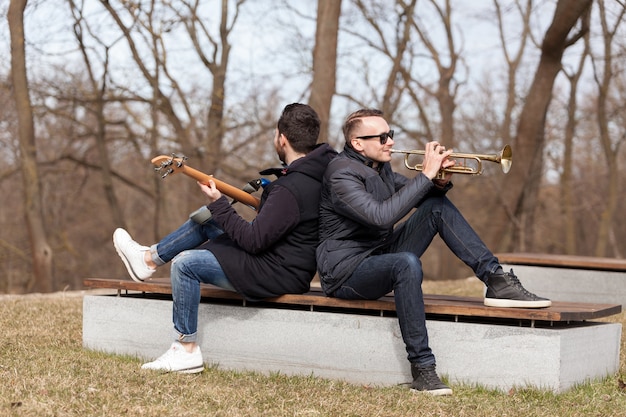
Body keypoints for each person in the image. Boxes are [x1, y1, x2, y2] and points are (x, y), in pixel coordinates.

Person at [315, 108, 550, 396]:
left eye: (391, 134)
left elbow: (419, 195)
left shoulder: (381, 169)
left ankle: (496, 280)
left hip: (379, 254)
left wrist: (438, 180)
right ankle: (423, 370)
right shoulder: (340, 174)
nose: (390, 141)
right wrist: (426, 173)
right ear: (358, 143)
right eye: (382, 137)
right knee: (406, 263)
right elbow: (380, 217)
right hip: (345, 272)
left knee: (436, 207)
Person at [113, 103, 337, 373]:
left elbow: (254, 240)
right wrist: (225, 208)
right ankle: (148, 260)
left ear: (282, 138)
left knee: (185, 264)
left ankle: (185, 349)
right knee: (207, 219)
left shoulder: (291, 188)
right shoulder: (316, 175)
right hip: (283, 260)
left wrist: (219, 202)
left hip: (278, 271)